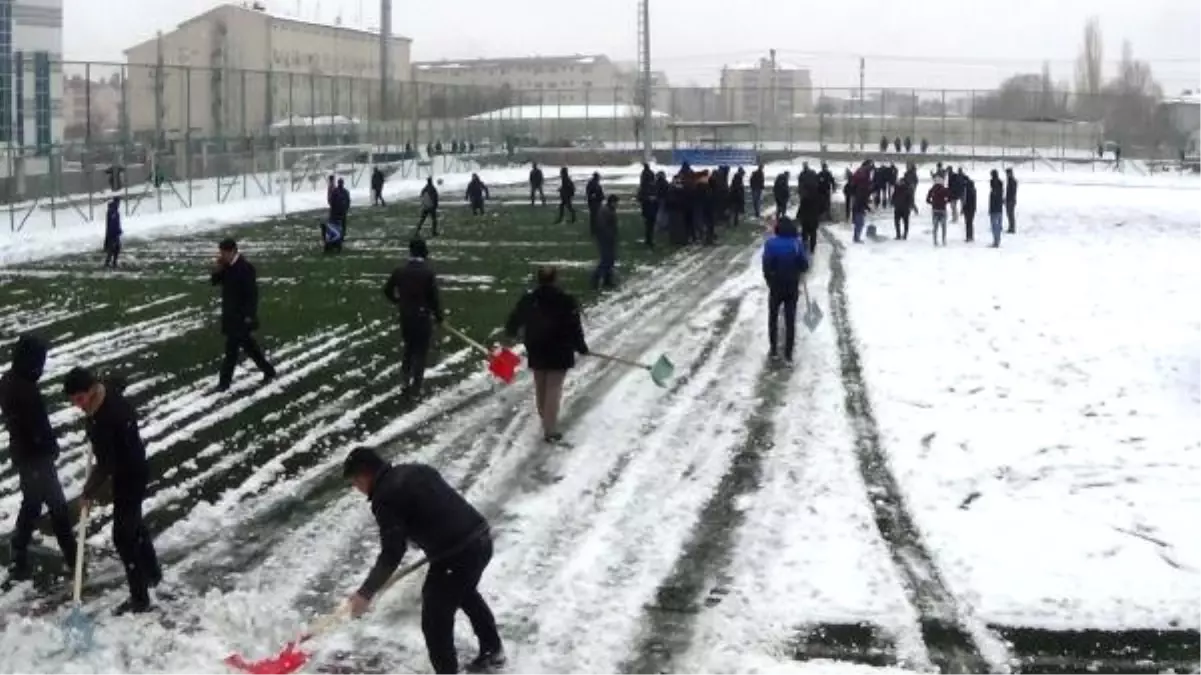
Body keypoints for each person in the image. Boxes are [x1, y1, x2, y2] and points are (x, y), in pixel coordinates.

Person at [343, 447, 503, 675]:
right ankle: (492, 651)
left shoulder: (384, 497)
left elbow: (393, 551)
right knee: (464, 591)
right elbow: (433, 509)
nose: (355, 488)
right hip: (480, 537)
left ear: (363, 475)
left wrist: (366, 592)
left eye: (353, 482)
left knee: (435, 622)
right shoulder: (416, 470)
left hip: (456, 554)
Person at [63, 367, 161, 615]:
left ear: (91, 390)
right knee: (134, 525)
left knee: (123, 536)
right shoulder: (106, 393)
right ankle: (152, 573)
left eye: (80, 399)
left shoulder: (105, 420)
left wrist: (88, 492)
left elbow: (107, 464)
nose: (77, 405)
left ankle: (140, 599)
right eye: (73, 401)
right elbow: (119, 381)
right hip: (134, 466)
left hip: (129, 473)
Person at [0, 335, 77, 581]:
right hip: (36, 458)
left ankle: (19, 550)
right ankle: (73, 558)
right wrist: (51, 447)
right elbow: (37, 428)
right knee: (58, 508)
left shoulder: (10, 380)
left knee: (32, 502)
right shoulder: (25, 391)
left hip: (23, 456)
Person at [503, 267, 589, 443]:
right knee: (553, 388)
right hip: (560, 348)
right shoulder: (566, 300)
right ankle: (549, 429)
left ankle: (545, 419)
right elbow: (574, 326)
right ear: (556, 279)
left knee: (540, 385)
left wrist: (512, 331)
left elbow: (513, 321)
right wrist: (581, 346)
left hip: (536, 346)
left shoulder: (529, 299)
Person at [210, 239, 276, 392]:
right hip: (230, 316)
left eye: (224, 253)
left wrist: (249, 315)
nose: (222, 255)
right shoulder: (226, 267)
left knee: (231, 352)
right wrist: (218, 268)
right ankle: (268, 371)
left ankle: (224, 384)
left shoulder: (245, 268)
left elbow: (252, 294)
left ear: (232, 251)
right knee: (251, 348)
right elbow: (214, 281)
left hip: (241, 318)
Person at [382, 239, 443, 399]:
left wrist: (398, 301)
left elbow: (387, 290)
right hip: (422, 317)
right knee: (421, 352)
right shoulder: (427, 273)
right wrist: (439, 317)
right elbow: (433, 299)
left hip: (406, 316)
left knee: (409, 348)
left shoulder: (400, 271)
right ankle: (416, 387)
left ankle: (404, 381)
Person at [761, 217, 811, 364]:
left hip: (776, 285)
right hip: (791, 286)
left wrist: (769, 281)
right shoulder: (797, 244)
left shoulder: (770, 244)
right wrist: (799, 268)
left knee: (773, 317)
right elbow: (804, 265)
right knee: (790, 319)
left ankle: (773, 350)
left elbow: (766, 265)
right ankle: (788, 353)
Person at [592, 194, 620, 290]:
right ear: (612, 202)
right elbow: (602, 226)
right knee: (606, 260)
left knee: (610, 260)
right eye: (616, 203)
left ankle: (608, 280)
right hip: (604, 239)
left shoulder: (610, 210)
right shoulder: (604, 211)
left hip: (610, 238)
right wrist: (609, 236)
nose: (617, 205)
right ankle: (595, 280)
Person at [926, 177, 950, 247]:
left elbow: (927, 200)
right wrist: (945, 202)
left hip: (935, 210)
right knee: (943, 226)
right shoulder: (945, 190)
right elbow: (949, 198)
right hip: (943, 209)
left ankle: (935, 240)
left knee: (935, 226)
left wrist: (932, 203)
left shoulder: (932, 189)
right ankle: (944, 240)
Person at [104, 197, 122, 268]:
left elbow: (116, 223)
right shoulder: (113, 211)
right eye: (119, 202)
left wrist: (119, 229)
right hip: (113, 234)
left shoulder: (114, 210)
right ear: (116, 202)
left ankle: (113, 263)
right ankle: (108, 263)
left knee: (116, 248)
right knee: (112, 249)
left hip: (114, 233)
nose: (119, 204)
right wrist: (116, 232)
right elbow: (112, 224)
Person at [988, 170, 1005, 248]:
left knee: (994, 226)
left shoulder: (994, 191)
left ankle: (996, 241)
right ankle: (997, 240)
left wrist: (990, 209)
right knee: (998, 225)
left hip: (994, 209)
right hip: (999, 208)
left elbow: (992, 201)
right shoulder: (1000, 188)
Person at [962, 175, 978, 243]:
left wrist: (963, 208)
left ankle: (968, 236)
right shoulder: (974, 189)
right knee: (970, 222)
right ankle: (971, 236)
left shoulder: (966, 190)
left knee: (968, 222)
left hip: (967, 208)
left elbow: (965, 200)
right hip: (973, 208)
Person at [1005, 168, 1018, 234]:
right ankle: (1011, 227)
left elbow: (1011, 192)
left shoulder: (1012, 181)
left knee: (1010, 214)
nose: (1006, 175)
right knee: (1009, 214)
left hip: (1010, 200)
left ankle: (1012, 228)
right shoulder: (1010, 180)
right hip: (1010, 200)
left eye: (1007, 174)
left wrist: (1008, 199)